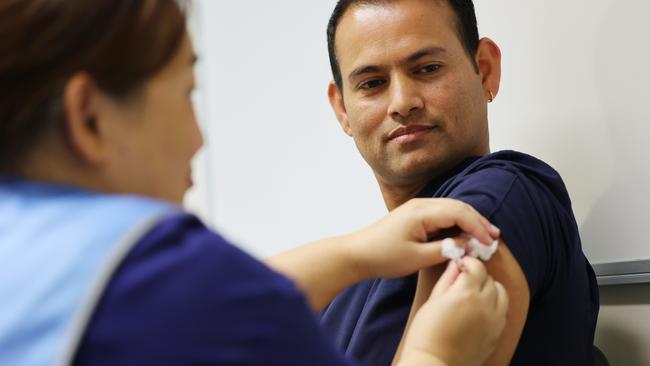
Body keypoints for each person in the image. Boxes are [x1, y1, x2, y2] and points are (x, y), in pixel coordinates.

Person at [0, 1, 509, 365]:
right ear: (89, 119)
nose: (198, 139)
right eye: (185, 93)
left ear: (485, 69)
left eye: (428, 67)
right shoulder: (162, 276)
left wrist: (355, 254)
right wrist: (436, 353)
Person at [320, 0, 599, 365]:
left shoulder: (502, 197)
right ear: (342, 109)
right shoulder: (344, 288)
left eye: (428, 68)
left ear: (484, 70)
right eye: (372, 83)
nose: (402, 103)